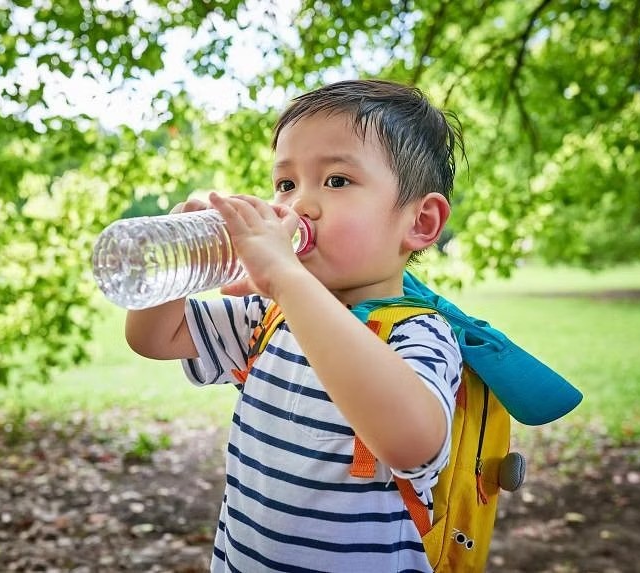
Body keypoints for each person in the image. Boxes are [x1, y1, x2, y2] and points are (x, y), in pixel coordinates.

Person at [125, 79, 464, 572]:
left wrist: (285, 278)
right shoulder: (267, 319)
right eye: (286, 184)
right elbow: (151, 339)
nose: (298, 204)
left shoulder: (419, 335)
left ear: (420, 222)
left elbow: (410, 443)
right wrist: (183, 261)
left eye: (337, 181)